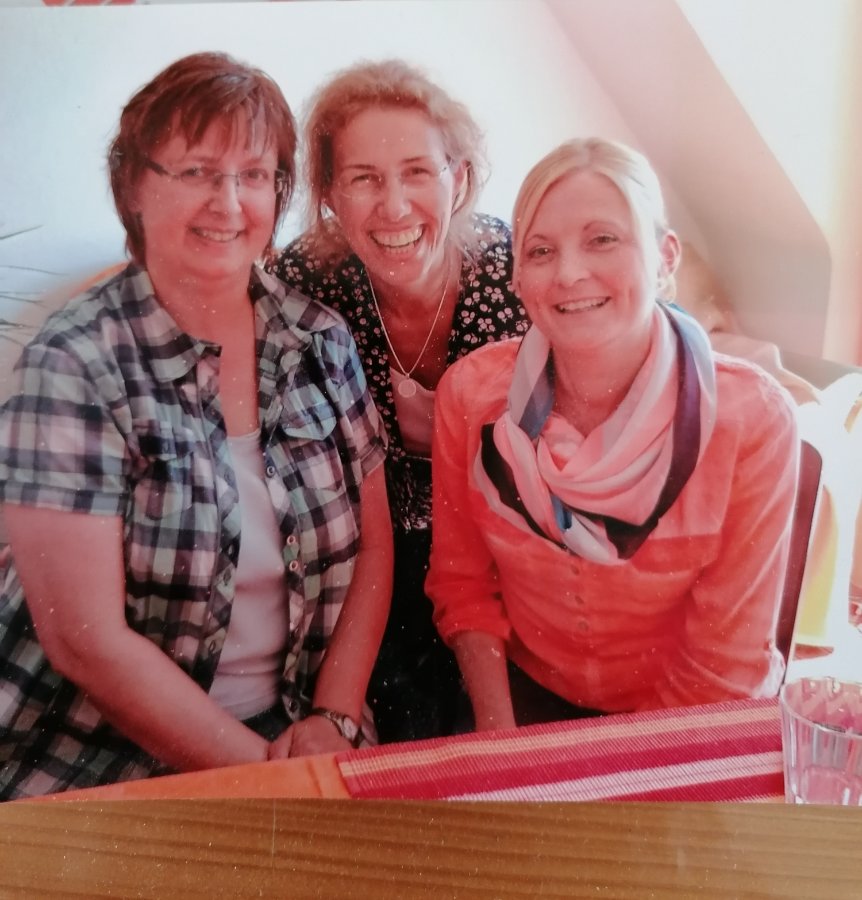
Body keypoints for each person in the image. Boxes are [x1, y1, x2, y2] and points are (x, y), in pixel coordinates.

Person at [0, 52, 392, 800]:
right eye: (197, 172)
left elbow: (375, 548)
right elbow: (85, 642)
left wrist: (335, 717)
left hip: (304, 728)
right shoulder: (71, 364)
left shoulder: (320, 340)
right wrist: (271, 781)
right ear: (133, 186)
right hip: (100, 752)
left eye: (254, 175)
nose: (229, 202)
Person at [425, 137, 798, 731]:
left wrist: (614, 768)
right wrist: (500, 739)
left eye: (603, 239)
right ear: (517, 276)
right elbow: (462, 585)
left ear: (664, 257)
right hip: (524, 706)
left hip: (688, 725)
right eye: (541, 251)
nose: (570, 273)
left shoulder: (754, 420)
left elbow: (724, 665)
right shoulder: (469, 397)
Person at [268, 59, 528, 742]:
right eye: (363, 178)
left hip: (503, 548)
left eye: (417, 172)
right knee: (407, 734)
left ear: (459, 179)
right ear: (329, 195)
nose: (393, 206)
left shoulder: (516, 273)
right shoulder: (305, 282)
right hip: (377, 555)